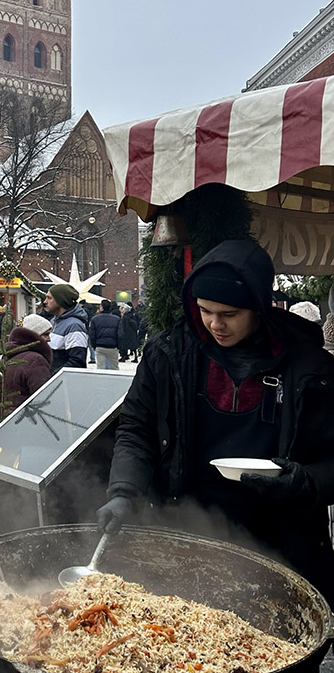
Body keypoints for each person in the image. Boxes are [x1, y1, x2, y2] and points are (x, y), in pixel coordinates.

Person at [97, 238, 334, 603]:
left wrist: (306, 483)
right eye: (205, 310)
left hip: (283, 541)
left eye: (229, 314)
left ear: (258, 306)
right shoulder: (168, 354)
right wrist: (124, 492)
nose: (214, 324)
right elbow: (137, 428)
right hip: (190, 531)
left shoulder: (309, 368)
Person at [0, 314, 53, 421]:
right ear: (35, 336)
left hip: (10, 418)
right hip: (29, 420)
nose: (49, 339)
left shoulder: (8, 357)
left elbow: (1, 396)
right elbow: (43, 399)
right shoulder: (36, 360)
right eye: (45, 335)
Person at [44, 284, 88, 372]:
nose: (45, 301)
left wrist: (52, 377)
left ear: (60, 301)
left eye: (49, 298)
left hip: (61, 383)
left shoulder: (74, 326)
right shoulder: (54, 321)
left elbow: (76, 362)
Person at [89, 299, 121, 370]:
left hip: (100, 346)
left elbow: (92, 335)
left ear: (102, 307)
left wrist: (94, 345)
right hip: (113, 346)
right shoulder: (117, 319)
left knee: (100, 368)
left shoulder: (95, 319)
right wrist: (118, 346)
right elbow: (120, 334)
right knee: (114, 367)